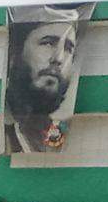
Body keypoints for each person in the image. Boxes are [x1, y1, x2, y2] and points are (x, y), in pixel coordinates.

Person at [4, 19, 79, 153]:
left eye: (68, 49)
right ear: (15, 53)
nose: (59, 59)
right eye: (48, 43)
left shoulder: (57, 137)